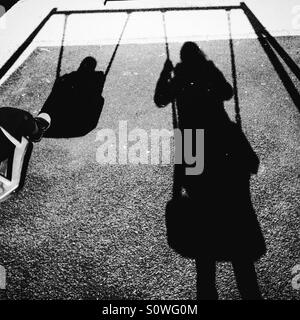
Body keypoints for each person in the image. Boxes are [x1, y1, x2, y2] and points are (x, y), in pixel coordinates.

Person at [154, 42, 266, 300]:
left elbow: (161, 99)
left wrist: (165, 73)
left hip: (193, 145)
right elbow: (227, 93)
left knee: (202, 222)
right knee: (235, 216)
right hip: (222, 141)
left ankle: (207, 294)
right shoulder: (207, 70)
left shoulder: (179, 76)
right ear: (200, 55)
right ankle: (250, 292)